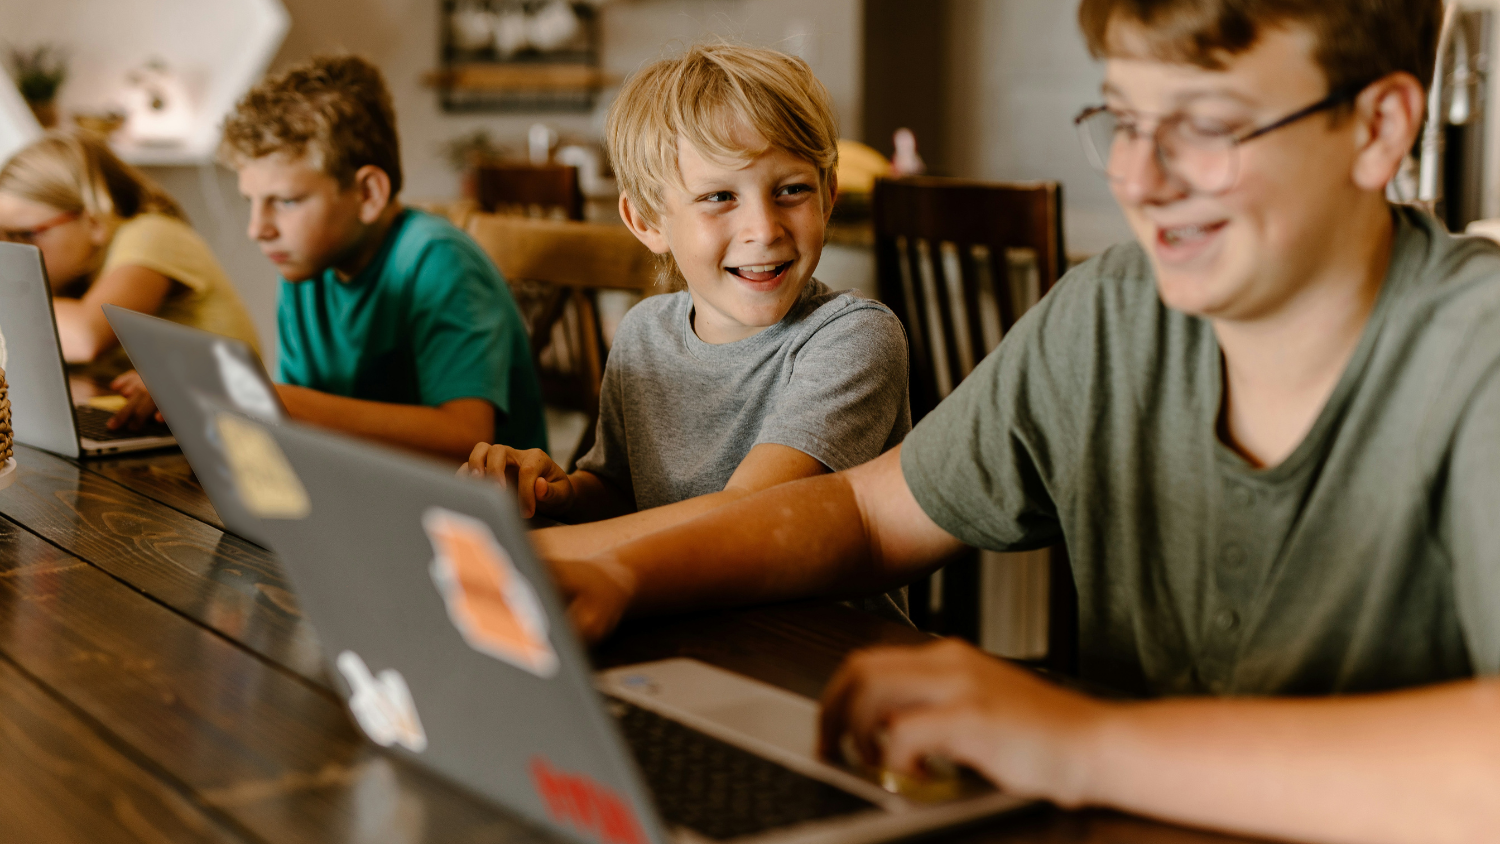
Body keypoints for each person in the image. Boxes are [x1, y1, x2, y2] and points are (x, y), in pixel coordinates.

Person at [538, 2, 1500, 841]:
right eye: (1122, 119)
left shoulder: (1476, 350)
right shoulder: (1111, 313)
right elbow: (868, 516)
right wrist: (613, 568)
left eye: (1205, 125)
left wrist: (1077, 741)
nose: (1139, 178)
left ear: (1377, 129)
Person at [464, 44, 911, 620]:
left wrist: (521, 553)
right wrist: (561, 493)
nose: (763, 228)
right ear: (647, 221)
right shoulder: (643, 333)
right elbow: (623, 489)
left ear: (827, 197)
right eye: (719, 196)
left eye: (791, 190)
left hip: (821, 658)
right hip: (680, 627)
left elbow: (746, 517)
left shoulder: (853, 339)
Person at [211, 55, 546, 461]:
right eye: (252, 202)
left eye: (285, 201)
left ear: (368, 194)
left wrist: (285, 403)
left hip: (491, 511)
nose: (258, 229)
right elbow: (303, 425)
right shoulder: (303, 268)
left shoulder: (438, 260)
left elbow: (467, 435)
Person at [0, 129, 261, 421]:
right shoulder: (74, 276)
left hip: (233, 428)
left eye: (26, 233)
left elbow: (86, 336)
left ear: (93, 220)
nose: (14, 250)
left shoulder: (153, 232)